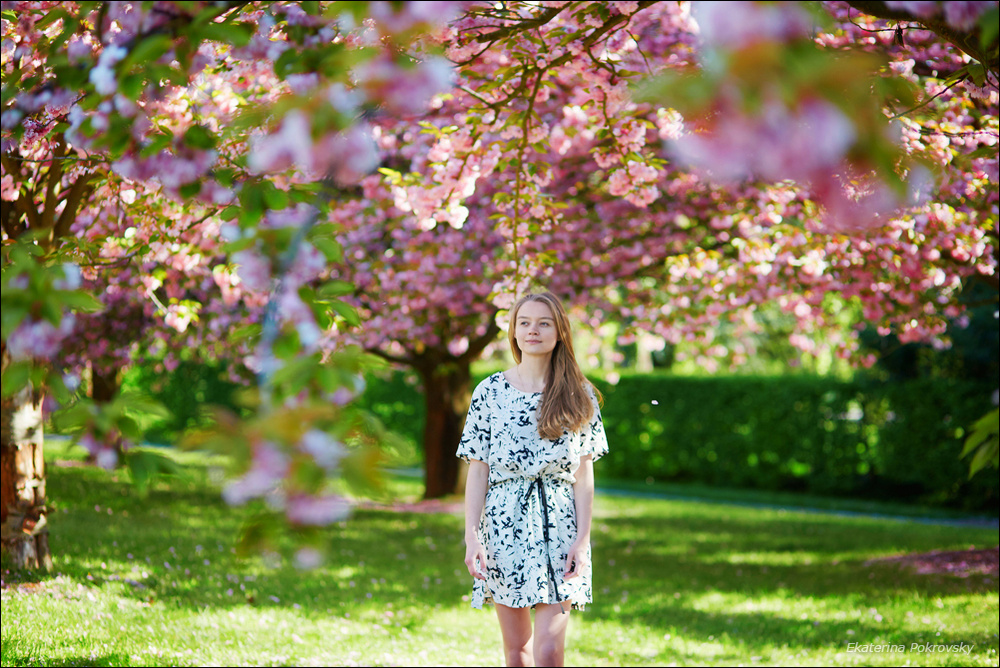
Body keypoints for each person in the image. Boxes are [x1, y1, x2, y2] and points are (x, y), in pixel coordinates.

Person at [457, 291, 608, 667]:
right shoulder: (489, 392)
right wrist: (472, 535)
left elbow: (584, 475)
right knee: (518, 651)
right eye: (524, 322)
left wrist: (583, 540)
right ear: (513, 331)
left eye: (543, 323)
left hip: (560, 525)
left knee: (548, 650)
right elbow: (478, 470)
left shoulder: (578, 394)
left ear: (560, 332)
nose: (533, 330)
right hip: (504, 523)